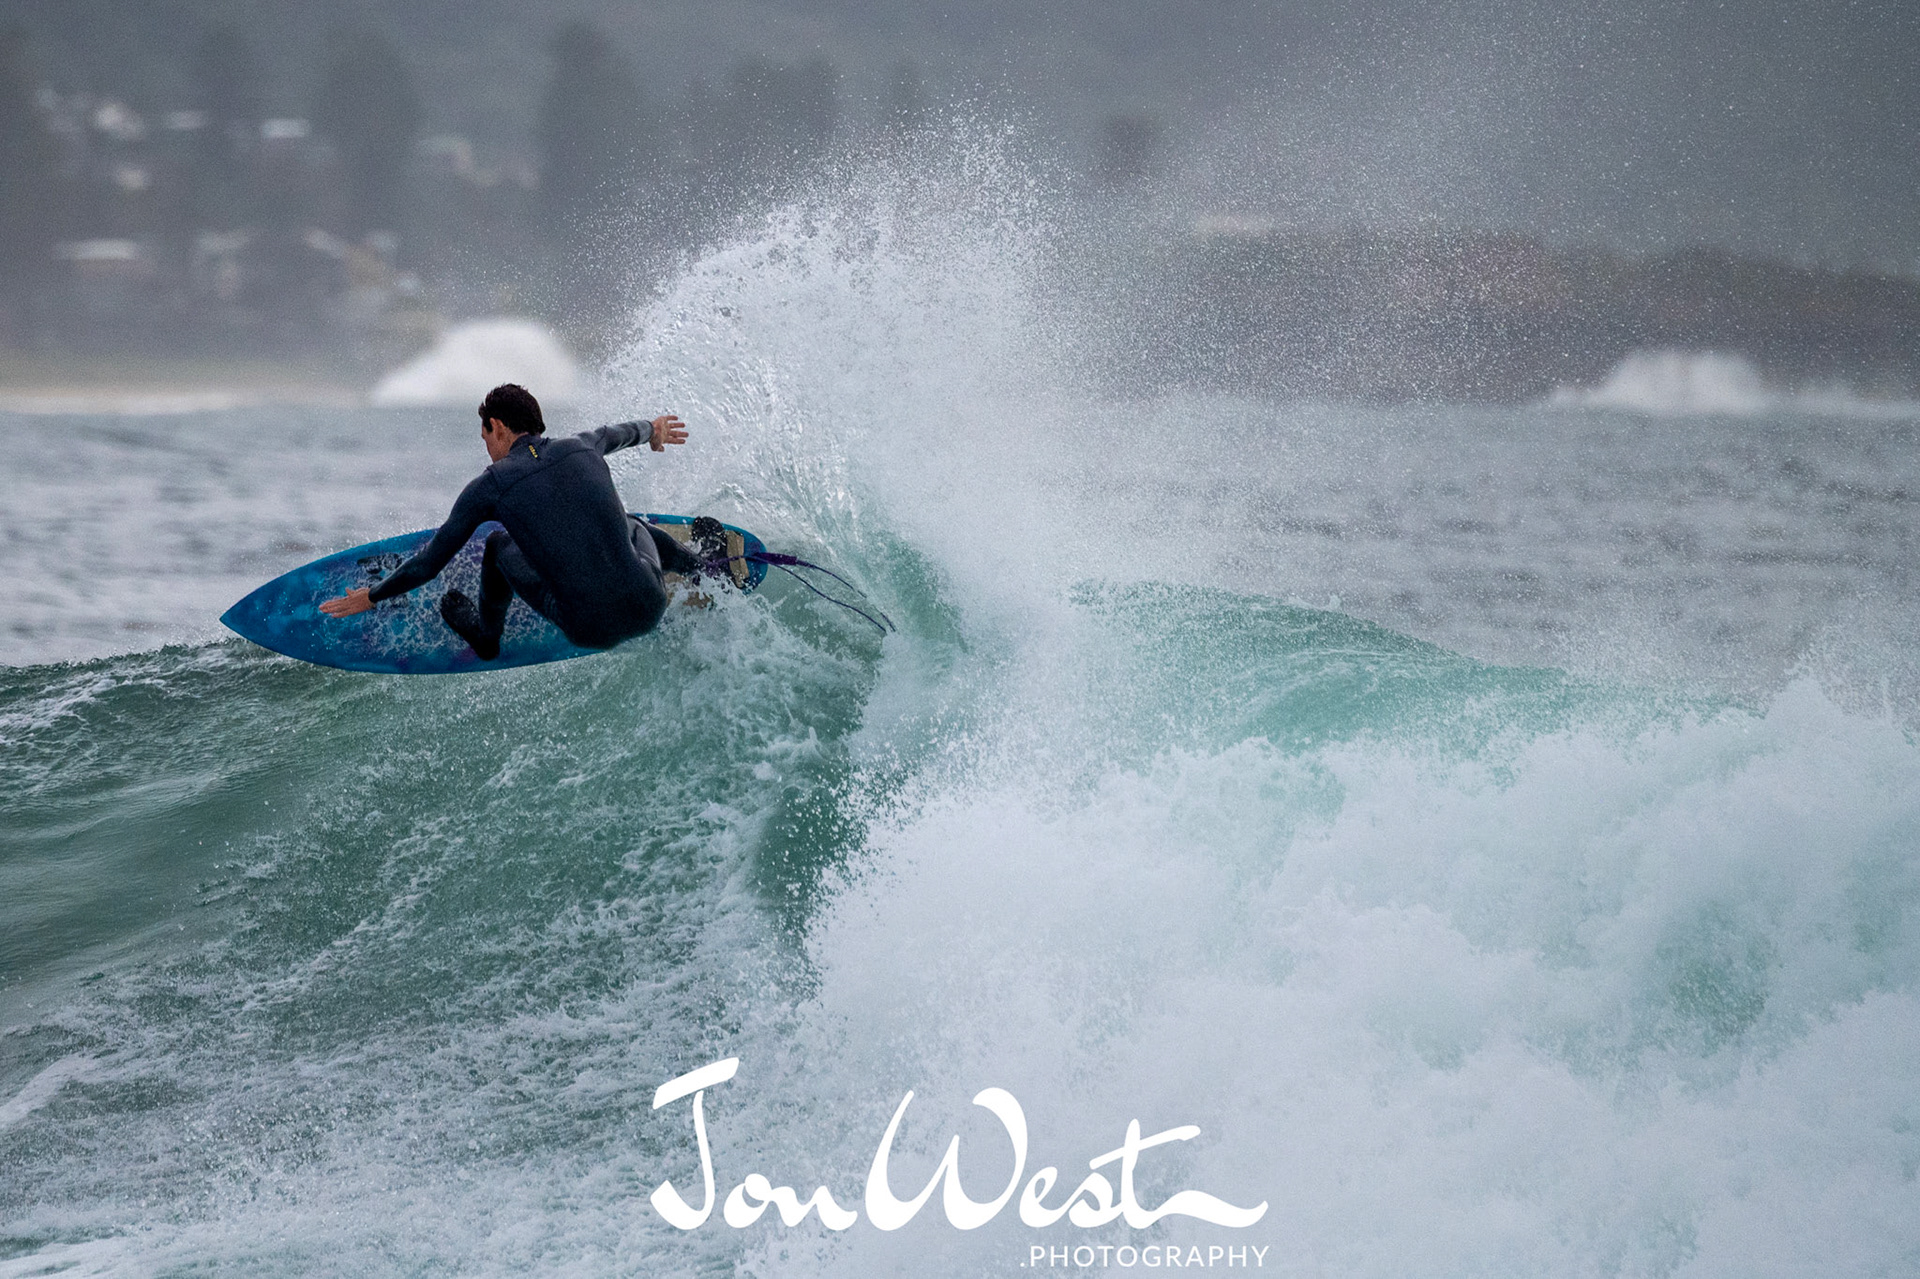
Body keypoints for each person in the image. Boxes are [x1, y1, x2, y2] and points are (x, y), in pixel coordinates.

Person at [319, 383, 718, 659]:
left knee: (496, 545)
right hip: (650, 605)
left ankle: (487, 638)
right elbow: (626, 432)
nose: (488, 450)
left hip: (589, 630)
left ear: (496, 426)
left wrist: (371, 596)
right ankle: (705, 569)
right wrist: (655, 430)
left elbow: (429, 563)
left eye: (485, 438)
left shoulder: (490, 485)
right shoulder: (585, 444)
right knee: (633, 525)